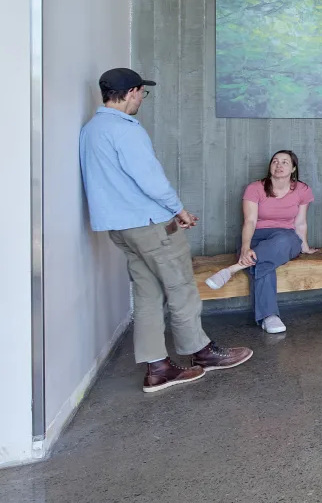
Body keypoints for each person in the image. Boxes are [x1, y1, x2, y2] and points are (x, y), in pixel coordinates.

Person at [79, 68, 253, 392]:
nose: (143, 99)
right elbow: (150, 179)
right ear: (132, 92)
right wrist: (179, 209)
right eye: (142, 93)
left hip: (118, 229)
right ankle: (202, 353)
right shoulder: (126, 130)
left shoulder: (92, 129)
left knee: (148, 293)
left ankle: (157, 368)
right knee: (181, 288)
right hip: (149, 224)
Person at [203, 150, 316, 333]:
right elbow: (250, 221)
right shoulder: (255, 188)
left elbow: (300, 222)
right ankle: (269, 316)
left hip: (285, 238)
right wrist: (246, 247)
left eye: (285, 162)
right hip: (256, 236)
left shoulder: (302, 190)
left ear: (293, 168)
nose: (279, 165)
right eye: (275, 161)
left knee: (283, 239)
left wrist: (304, 246)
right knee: (265, 264)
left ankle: (233, 269)